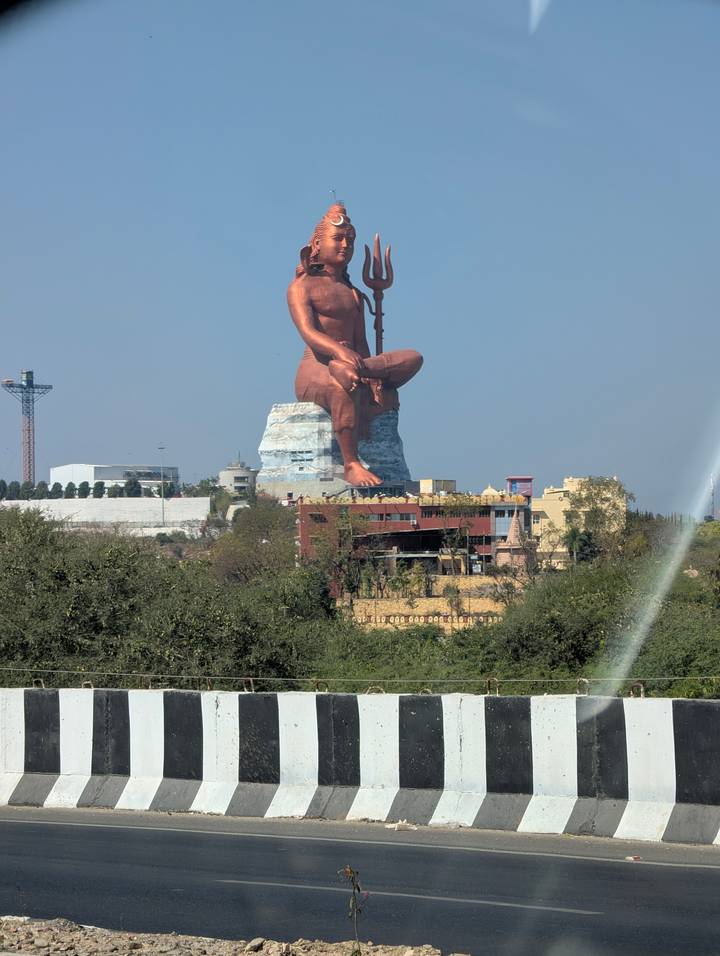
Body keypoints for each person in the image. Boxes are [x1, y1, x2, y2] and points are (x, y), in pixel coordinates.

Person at [288, 203, 423, 487]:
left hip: (354, 364)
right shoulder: (302, 287)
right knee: (343, 383)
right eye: (338, 239)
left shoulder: (354, 294)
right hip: (317, 368)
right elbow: (308, 332)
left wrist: (369, 374)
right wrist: (339, 352)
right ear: (316, 244)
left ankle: (362, 373)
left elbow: (361, 343)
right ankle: (351, 463)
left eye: (349, 239)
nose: (345, 245)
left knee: (413, 358)